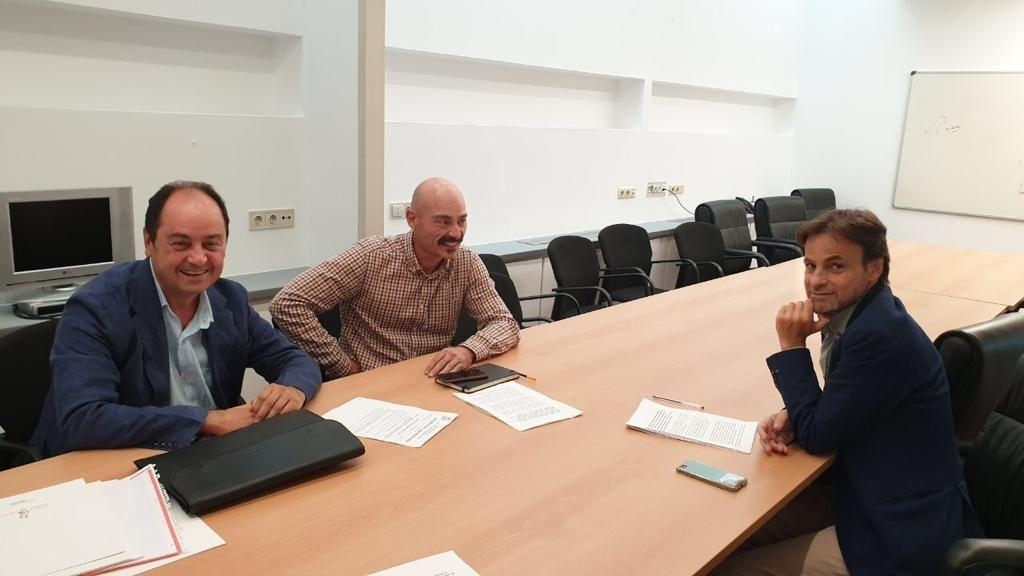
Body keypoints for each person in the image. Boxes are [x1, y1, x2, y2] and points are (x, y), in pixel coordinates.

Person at [717, 209, 980, 575]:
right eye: (810, 266)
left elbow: (819, 436)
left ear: (874, 268)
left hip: (897, 528)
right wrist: (797, 413)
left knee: (730, 567)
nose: (816, 281)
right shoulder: (863, 313)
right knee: (732, 531)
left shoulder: (878, 335)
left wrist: (792, 346)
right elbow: (849, 398)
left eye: (835, 267)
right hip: (874, 490)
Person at [31, 181, 322, 457]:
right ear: (149, 242)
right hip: (118, 463)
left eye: (211, 244)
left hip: (210, 456)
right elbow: (85, 420)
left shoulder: (230, 300)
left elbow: (296, 360)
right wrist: (205, 420)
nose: (198, 258)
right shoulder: (96, 307)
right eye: (181, 244)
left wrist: (293, 388)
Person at [270, 177, 519, 379]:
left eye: (462, 221)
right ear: (412, 219)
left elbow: (504, 323)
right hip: (371, 381)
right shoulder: (371, 257)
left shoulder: (466, 263)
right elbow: (288, 303)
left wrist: (468, 351)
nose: (456, 233)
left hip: (430, 380)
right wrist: (341, 365)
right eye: (443, 222)